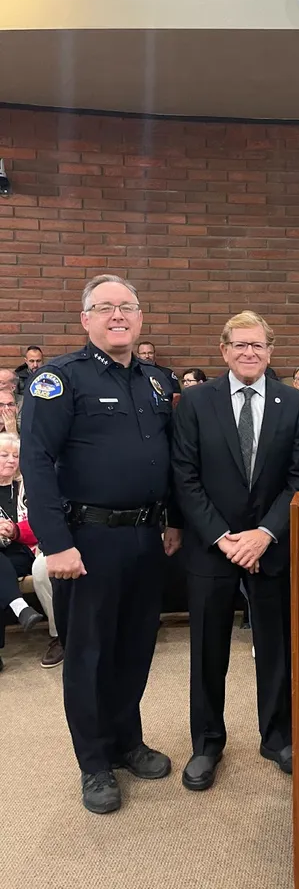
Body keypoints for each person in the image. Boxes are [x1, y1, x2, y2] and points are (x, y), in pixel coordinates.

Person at [20, 273, 182, 815]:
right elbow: (37, 464)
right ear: (85, 318)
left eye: (127, 307)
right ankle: (93, 764)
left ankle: (125, 741)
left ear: (140, 318)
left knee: (135, 648)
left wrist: (173, 521)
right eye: (105, 307)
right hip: (86, 542)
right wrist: (56, 544)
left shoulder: (157, 382)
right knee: (88, 655)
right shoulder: (58, 380)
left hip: (145, 537)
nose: (118, 315)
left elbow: (173, 461)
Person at [172, 311, 299, 788]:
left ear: (270, 352)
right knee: (209, 650)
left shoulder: (293, 403)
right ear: (224, 350)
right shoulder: (194, 402)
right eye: (240, 345)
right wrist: (223, 537)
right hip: (213, 547)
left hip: (270, 545)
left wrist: (265, 533)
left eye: (258, 345)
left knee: (276, 647)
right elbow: (185, 478)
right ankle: (207, 744)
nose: (249, 352)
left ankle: (277, 736)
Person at [0, 434, 44, 673]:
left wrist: (12, 530)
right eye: (4, 455)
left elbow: (39, 524)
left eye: (15, 456)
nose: (11, 461)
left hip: (22, 551)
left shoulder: (26, 487)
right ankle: (20, 607)